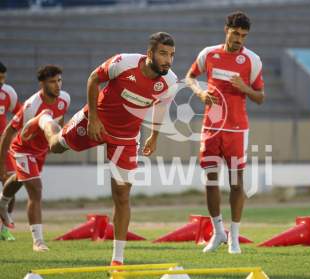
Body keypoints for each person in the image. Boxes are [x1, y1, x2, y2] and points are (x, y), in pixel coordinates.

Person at [18, 32, 177, 264]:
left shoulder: (170, 81)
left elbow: (162, 105)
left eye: (172, 55)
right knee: (56, 146)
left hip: (126, 138)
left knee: (122, 195)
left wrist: (154, 135)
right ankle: (43, 120)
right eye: (163, 54)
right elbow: (94, 78)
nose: (168, 60)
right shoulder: (124, 63)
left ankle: (118, 260)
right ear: (150, 53)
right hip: (95, 122)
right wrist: (93, 118)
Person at [185, 11, 265, 254]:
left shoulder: (253, 60)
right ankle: (218, 232)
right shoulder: (208, 53)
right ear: (226, 30)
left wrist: (245, 88)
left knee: (236, 184)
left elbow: (261, 97)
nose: (239, 38)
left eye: (244, 35)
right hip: (210, 128)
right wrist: (199, 92)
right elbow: (190, 77)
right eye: (236, 33)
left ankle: (235, 238)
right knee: (210, 181)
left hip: (237, 130)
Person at [0, 65, 70, 251]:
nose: (57, 85)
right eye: (52, 82)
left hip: (40, 151)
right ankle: (38, 241)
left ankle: (2, 202)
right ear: (42, 84)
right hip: (22, 150)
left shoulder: (64, 98)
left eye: (59, 81)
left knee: (21, 179)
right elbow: (8, 133)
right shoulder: (31, 106)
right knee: (36, 189)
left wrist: (53, 141)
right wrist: (1, 165)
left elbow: (61, 119)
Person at [0, 61, 22, 241]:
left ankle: (4, 229)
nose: (1, 82)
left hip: (3, 146)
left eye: (3, 78)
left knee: (10, 184)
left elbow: (19, 114)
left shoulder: (9, 93)